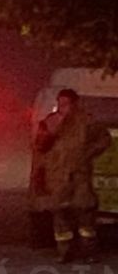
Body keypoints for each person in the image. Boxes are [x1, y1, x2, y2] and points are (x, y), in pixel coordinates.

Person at [38, 88, 110, 264]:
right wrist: (50, 132)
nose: (62, 107)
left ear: (75, 104)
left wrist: (88, 153)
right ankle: (64, 252)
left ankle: (89, 252)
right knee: (60, 214)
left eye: (66, 103)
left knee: (85, 213)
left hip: (80, 174)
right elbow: (40, 145)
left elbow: (104, 139)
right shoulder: (50, 121)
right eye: (60, 103)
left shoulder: (87, 121)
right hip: (57, 175)